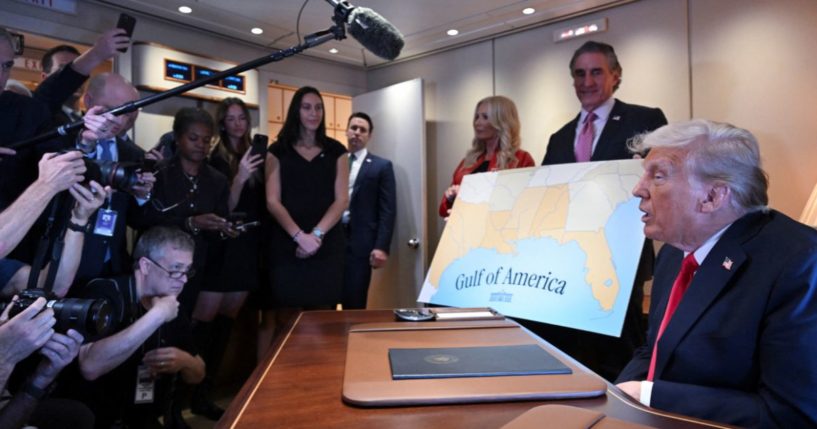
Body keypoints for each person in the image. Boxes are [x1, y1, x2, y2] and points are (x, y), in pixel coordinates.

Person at [615, 119, 817, 428]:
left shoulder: (799, 262)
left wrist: (651, 397)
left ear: (712, 196)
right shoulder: (673, 252)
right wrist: (617, 396)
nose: (637, 189)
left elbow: (790, 413)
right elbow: (654, 347)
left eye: (657, 176)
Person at [534, 40, 668, 381]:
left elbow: (664, 175)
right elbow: (550, 195)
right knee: (574, 341)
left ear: (616, 75)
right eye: (579, 74)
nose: (587, 81)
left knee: (622, 339)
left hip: (622, 251)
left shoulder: (645, 119)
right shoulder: (559, 137)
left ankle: (627, 403)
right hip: (570, 255)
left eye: (596, 72)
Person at [70, 226, 205, 428]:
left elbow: (198, 373)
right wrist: (157, 316)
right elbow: (89, 366)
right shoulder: (106, 292)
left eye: (187, 271)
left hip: (142, 418)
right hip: (92, 419)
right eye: (175, 270)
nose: (184, 280)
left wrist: (184, 360)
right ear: (145, 266)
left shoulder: (172, 304)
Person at [189, 97, 265, 420]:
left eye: (242, 118)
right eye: (231, 119)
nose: (238, 124)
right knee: (201, 327)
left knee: (225, 329)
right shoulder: (215, 159)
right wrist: (241, 175)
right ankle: (186, 392)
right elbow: (224, 208)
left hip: (246, 248)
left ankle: (205, 393)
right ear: (222, 123)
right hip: (220, 246)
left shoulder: (257, 155)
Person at [261, 86, 348, 350]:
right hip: (287, 246)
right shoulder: (277, 151)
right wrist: (300, 236)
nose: (314, 113)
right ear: (296, 111)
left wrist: (316, 237)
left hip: (326, 246)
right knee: (286, 320)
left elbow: (342, 199)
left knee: (324, 320)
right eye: (307, 107)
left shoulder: (337, 151)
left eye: (318, 107)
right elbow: (272, 201)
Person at [133, 108, 233, 314]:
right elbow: (140, 219)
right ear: (178, 138)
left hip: (195, 268)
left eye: (207, 140)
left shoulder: (217, 180)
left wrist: (223, 227)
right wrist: (190, 223)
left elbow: (219, 223)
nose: (201, 145)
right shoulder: (158, 173)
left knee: (184, 324)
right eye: (193, 138)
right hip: (155, 267)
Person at [71, 73, 155, 288]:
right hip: (66, 262)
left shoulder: (134, 154)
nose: (119, 120)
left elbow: (137, 221)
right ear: (89, 102)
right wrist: (85, 146)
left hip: (114, 265)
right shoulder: (62, 139)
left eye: (126, 112)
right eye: (111, 110)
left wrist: (142, 195)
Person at [439, 95, 535, 218]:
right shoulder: (468, 161)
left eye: (485, 117)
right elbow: (443, 209)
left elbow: (527, 206)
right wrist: (451, 198)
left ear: (501, 121)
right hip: (466, 231)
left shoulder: (521, 159)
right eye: (477, 117)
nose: (477, 122)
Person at [341, 112, 396, 309]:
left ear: (369, 135)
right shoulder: (334, 162)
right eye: (353, 128)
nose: (357, 133)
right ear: (346, 131)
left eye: (362, 130)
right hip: (331, 241)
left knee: (354, 301)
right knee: (326, 300)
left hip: (361, 244)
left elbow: (388, 210)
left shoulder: (381, 166)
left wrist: (381, 246)